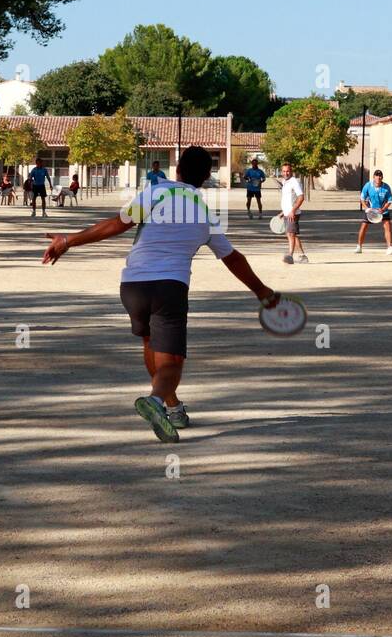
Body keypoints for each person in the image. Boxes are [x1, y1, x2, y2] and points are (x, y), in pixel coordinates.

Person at [42, 145, 276, 444]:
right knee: (172, 362)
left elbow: (116, 225)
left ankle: (173, 407)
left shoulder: (156, 193)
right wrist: (262, 291)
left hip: (132, 288)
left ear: (176, 170)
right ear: (206, 176)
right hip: (169, 289)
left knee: (153, 343)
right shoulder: (205, 212)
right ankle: (154, 401)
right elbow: (232, 258)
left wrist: (68, 240)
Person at [355, 169, 392, 255]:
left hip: (383, 211)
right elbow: (362, 199)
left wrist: (383, 209)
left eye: (380, 176)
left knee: (387, 227)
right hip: (371, 211)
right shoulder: (368, 186)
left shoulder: (386, 187)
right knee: (363, 227)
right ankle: (359, 247)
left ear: (382, 177)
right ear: (373, 177)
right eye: (377, 176)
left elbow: (390, 200)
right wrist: (367, 208)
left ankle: (390, 247)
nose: (378, 177)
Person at [279, 161, 307, 264]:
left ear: (291, 172)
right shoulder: (284, 182)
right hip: (287, 213)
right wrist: (283, 212)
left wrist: (293, 211)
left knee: (291, 234)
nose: (286, 173)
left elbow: (301, 197)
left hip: (293, 214)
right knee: (292, 235)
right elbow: (288, 199)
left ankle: (290, 256)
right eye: (284, 171)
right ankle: (303, 255)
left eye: (288, 171)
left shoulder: (294, 181)